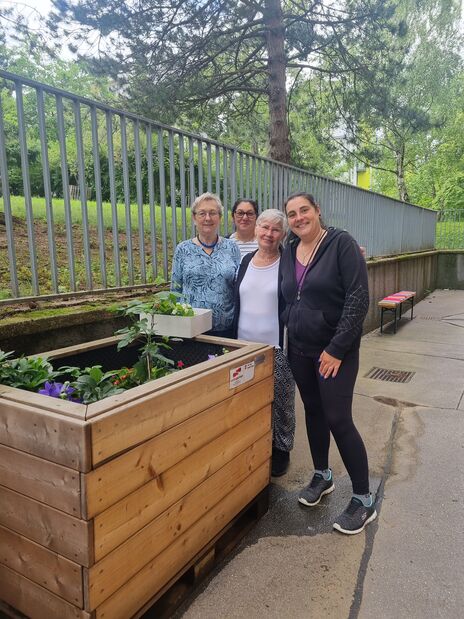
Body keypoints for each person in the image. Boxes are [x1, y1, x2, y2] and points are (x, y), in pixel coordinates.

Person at [280, 191, 376, 535]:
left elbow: (358, 299)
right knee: (314, 411)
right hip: (300, 348)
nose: (299, 218)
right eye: (292, 214)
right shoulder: (289, 248)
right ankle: (323, 475)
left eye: (304, 210)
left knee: (338, 417)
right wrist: (289, 320)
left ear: (317, 211)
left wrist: (337, 348)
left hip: (335, 352)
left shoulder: (341, 244)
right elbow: (287, 293)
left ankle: (363, 499)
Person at [233, 209, 295, 477]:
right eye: (265, 227)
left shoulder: (288, 262)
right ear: (256, 228)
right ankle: (253, 442)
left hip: (276, 346)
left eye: (275, 229)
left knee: (281, 402)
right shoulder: (246, 260)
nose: (269, 234)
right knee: (246, 399)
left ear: (283, 234)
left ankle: (281, 449)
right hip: (242, 346)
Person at [171, 192, 241, 337]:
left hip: (225, 329)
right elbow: (175, 289)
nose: (207, 218)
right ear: (194, 218)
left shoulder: (232, 247)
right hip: (191, 330)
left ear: (220, 217)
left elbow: (238, 287)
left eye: (213, 213)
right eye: (202, 213)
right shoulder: (183, 249)